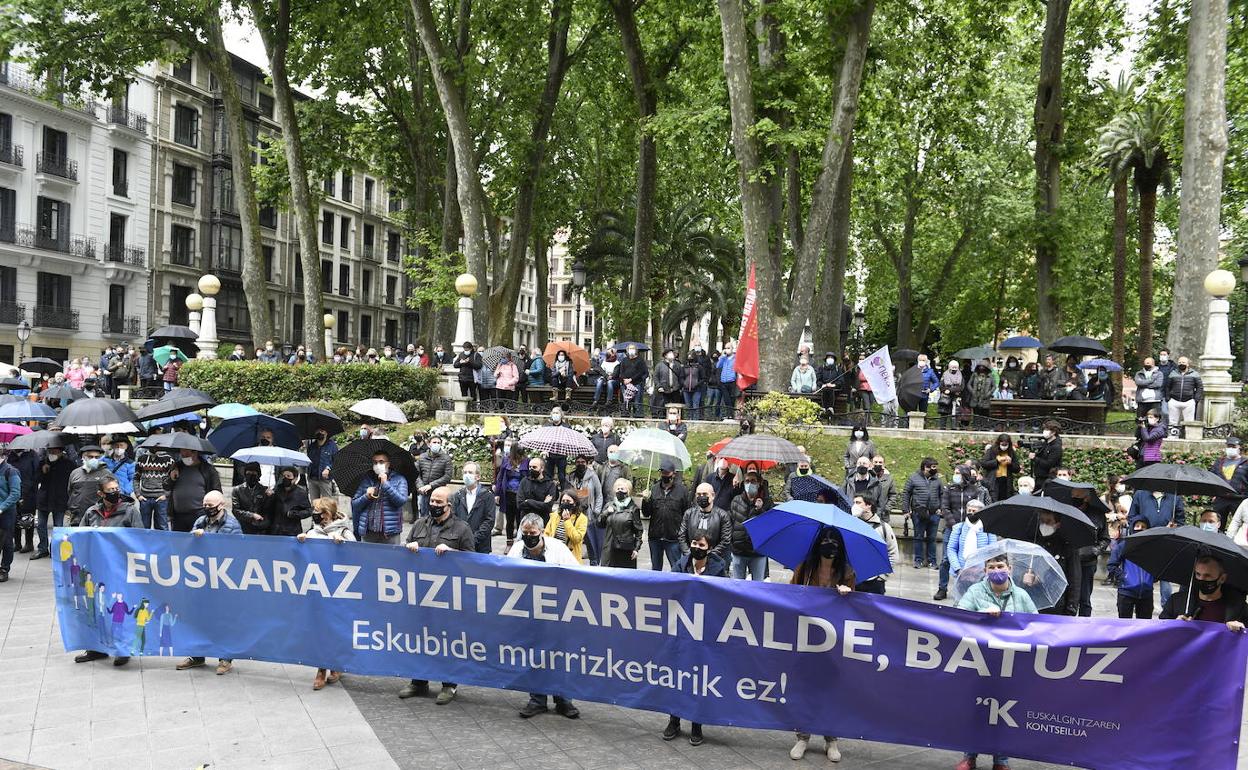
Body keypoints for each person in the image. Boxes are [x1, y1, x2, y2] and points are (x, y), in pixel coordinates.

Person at [954, 552, 1036, 770]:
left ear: (1009, 569)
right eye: (991, 567)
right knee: (976, 708)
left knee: (1005, 712)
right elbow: (960, 615)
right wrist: (981, 614)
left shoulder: (1021, 596)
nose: (996, 571)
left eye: (1000, 566)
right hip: (980, 660)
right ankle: (969, 755)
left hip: (1010, 663)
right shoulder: (975, 591)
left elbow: (1036, 624)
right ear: (985, 571)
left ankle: (1001, 759)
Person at [400, 486, 476, 705]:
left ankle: (448, 684)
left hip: (448, 596)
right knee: (419, 638)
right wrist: (409, 547)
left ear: (449, 505)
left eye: (438, 502)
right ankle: (418, 680)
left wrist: (453, 554)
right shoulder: (419, 524)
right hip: (420, 593)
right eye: (431, 501)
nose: (433, 505)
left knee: (446, 639)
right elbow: (403, 554)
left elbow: (473, 562)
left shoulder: (462, 529)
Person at [506, 512, 581, 718]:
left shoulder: (558, 548)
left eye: (533, 533)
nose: (529, 536)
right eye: (525, 533)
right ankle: (537, 700)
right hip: (528, 611)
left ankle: (563, 700)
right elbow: (507, 576)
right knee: (534, 655)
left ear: (541, 532)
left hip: (556, 612)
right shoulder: (517, 549)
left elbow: (576, 575)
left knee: (559, 656)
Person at [788, 528, 854, 763]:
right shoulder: (804, 568)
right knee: (805, 689)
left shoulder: (846, 572)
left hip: (833, 642)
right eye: (825, 540)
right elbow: (787, 596)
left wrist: (848, 593)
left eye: (834, 541)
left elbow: (854, 608)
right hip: (806, 638)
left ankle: (831, 740)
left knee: (831, 691)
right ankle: (802, 737)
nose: (830, 545)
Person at [72, 478, 145, 667]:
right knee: (97, 608)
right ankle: (96, 648)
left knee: (119, 609)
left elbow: (140, 538)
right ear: (101, 494)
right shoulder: (91, 512)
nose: (115, 492)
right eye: (110, 490)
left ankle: (122, 649)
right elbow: (80, 536)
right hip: (96, 568)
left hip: (120, 567)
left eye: (117, 488)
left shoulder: (130, 511)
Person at [662, 534, 724, 747]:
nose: (697, 547)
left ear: (710, 548)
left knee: (699, 678)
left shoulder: (719, 569)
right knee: (677, 675)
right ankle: (674, 720)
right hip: (681, 630)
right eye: (694, 544)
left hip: (704, 633)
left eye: (702, 545)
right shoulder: (680, 566)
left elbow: (723, 599)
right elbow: (670, 589)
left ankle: (696, 724)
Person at [296, 497, 355, 690]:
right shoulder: (312, 531)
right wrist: (301, 543)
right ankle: (321, 669)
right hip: (317, 588)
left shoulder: (344, 532)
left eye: (317, 511)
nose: (314, 514)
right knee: (319, 629)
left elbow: (357, 558)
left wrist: (343, 547)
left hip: (338, 590)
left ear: (327, 513)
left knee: (335, 628)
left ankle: (336, 665)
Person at [935, 467, 990, 600]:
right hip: (952, 527)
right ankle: (942, 588)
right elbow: (945, 507)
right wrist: (954, 525)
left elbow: (978, 507)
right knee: (946, 559)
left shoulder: (975, 490)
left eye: (958, 473)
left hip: (971, 528)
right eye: (955, 473)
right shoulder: (949, 489)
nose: (955, 475)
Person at [1158, 554, 1248, 631]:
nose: (1201, 579)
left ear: (1222, 579)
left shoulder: (1238, 607)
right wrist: (1173, 624)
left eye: (1207, 576)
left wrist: (1241, 629)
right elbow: (1159, 629)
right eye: (1198, 574)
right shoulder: (1176, 601)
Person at [351, 450, 410, 545]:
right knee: (367, 559)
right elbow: (355, 504)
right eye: (375, 462)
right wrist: (366, 496)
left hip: (389, 533)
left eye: (381, 462)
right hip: (368, 532)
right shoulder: (366, 479)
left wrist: (386, 484)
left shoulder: (399, 479)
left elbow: (401, 501)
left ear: (388, 464)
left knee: (391, 559)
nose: (378, 464)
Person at [940, 499, 994, 599]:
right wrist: (958, 569)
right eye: (969, 511)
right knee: (960, 600)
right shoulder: (959, 528)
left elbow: (993, 551)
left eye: (974, 511)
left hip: (981, 573)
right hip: (961, 572)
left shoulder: (988, 530)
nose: (971, 513)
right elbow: (951, 549)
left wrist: (986, 570)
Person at [643, 461, 692, 570]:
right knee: (655, 568)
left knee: (676, 567)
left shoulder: (682, 491)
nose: (665, 475)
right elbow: (646, 513)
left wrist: (684, 535)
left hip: (673, 538)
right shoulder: (654, 489)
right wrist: (645, 501)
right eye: (663, 472)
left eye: (667, 473)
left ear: (673, 474)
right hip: (655, 537)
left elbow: (687, 513)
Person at [1033, 510, 1081, 616]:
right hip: (1034, 604)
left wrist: (1071, 609)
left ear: (1057, 524)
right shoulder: (1034, 542)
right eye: (1042, 521)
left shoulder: (1068, 546)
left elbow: (1074, 579)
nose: (1044, 524)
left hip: (1058, 605)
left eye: (1048, 521)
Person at [903, 458, 944, 569]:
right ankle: (918, 560)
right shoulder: (913, 478)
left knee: (932, 538)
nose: (934, 469)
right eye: (932, 467)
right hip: (918, 513)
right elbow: (906, 493)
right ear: (925, 467)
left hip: (934, 513)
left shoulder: (938, 480)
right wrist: (906, 510)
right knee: (918, 537)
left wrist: (941, 508)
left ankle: (932, 561)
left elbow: (942, 495)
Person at [592, 447, 630, 565]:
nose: (613, 454)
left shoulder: (624, 469)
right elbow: (596, 485)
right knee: (604, 534)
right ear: (607, 453)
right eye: (611, 452)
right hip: (605, 505)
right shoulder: (602, 468)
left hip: (620, 505)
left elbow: (629, 485)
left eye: (616, 452)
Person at [852, 495, 897, 594]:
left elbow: (892, 553)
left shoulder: (883, 528)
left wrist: (882, 576)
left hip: (875, 582)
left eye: (858, 502)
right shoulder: (852, 525)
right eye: (854, 502)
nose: (854, 506)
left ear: (868, 505)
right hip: (854, 579)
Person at [1112, 519, 1156, 618]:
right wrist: (1123, 577)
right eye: (1137, 526)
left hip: (1146, 593)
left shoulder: (1152, 548)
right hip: (1126, 592)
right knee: (1124, 625)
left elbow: (1158, 563)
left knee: (1144, 627)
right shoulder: (1124, 545)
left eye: (1143, 526)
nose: (1140, 529)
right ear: (1132, 527)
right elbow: (1112, 564)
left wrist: (1152, 577)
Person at [450, 462, 495, 554]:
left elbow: (489, 521)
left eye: (470, 472)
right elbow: (453, 517)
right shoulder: (458, 495)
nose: (467, 475)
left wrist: (473, 539)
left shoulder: (487, 496)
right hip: (460, 544)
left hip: (481, 546)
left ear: (478, 477)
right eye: (465, 472)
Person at [598, 478, 643, 568]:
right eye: (618, 488)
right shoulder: (609, 505)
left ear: (628, 491)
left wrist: (636, 549)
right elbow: (599, 523)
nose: (619, 491)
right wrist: (606, 513)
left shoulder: (633, 509)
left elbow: (639, 531)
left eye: (622, 489)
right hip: (609, 548)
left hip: (625, 549)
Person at [494, 439, 529, 550]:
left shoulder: (527, 461)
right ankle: (509, 544)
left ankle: (520, 544)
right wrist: (497, 493)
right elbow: (500, 478)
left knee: (520, 519)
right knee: (509, 520)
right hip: (508, 494)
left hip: (521, 495)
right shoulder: (506, 460)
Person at [1211, 438, 1248, 530]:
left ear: (1239, 448)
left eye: (1233, 446)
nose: (1231, 448)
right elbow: (1212, 477)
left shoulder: (1246, 463)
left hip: (1239, 499)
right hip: (1221, 498)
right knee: (1217, 525)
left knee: (1240, 526)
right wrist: (1213, 494)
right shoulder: (1219, 462)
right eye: (1229, 446)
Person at [546, 492, 589, 563]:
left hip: (570, 557)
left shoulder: (582, 519)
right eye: (563, 501)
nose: (565, 503)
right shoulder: (555, 515)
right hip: (554, 555)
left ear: (574, 503)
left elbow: (577, 539)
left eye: (568, 501)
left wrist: (567, 521)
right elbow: (547, 533)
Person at [269, 466, 312, 537]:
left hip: (292, 530)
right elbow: (270, 508)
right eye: (283, 476)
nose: (285, 478)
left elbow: (308, 511)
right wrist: (269, 497)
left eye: (288, 476)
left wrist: (294, 514)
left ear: (294, 479)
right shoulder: (277, 490)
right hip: (276, 530)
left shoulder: (301, 493)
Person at [231, 462, 273, 535]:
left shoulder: (264, 490)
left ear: (258, 475)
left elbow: (268, 511)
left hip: (260, 529)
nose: (251, 476)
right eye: (248, 473)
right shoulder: (237, 490)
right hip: (242, 528)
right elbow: (235, 510)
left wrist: (271, 497)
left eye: (254, 474)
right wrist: (252, 515)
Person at [414, 436, 451, 518]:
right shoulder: (422, 457)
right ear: (429, 444)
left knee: (437, 516)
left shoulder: (446, 459)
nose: (436, 444)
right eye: (434, 442)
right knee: (423, 517)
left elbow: (447, 476)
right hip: (424, 493)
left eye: (438, 443)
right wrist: (421, 486)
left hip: (438, 493)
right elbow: (416, 473)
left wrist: (431, 485)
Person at [517, 457, 558, 529]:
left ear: (542, 468)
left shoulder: (550, 484)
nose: (531, 469)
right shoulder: (524, 481)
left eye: (534, 467)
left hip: (543, 524)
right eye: (530, 467)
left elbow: (548, 507)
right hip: (525, 523)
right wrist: (541, 504)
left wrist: (528, 501)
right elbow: (520, 504)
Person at [1164, 355, 1203, 426]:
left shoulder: (1195, 374)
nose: (1181, 364)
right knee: (1172, 422)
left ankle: (1188, 436)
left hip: (1189, 401)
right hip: (1174, 401)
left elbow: (1199, 387)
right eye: (1179, 362)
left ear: (1188, 364)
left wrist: (1196, 399)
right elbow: (1167, 386)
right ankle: (1173, 436)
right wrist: (1168, 398)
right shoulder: (1173, 373)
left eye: (1183, 362)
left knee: (1189, 423)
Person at [980, 434, 1019, 502]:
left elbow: (1017, 469)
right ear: (999, 443)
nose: (1004, 446)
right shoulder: (992, 450)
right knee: (993, 500)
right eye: (1002, 444)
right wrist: (997, 461)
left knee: (1005, 501)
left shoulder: (1011, 452)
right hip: (994, 481)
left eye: (1006, 444)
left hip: (1006, 482)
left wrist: (1010, 463)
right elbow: (984, 464)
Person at [567, 456, 602, 528]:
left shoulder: (593, 476)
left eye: (583, 462)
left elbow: (599, 494)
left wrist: (597, 511)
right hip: (574, 510)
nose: (580, 464)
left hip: (588, 511)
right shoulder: (571, 476)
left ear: (587, 463)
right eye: (578, 462)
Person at [306, 428, 339, 501]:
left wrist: (328, 468)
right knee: (314, 504)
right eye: (317, 431)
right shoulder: (311, 446)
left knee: (327, 504)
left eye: (322, 431)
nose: (319, 432)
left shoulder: (332, 445)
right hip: (312, 478)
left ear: (326, 433)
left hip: (325, 479)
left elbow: (337, 460)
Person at [617, 344, 649, 417]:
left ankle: (637, 415)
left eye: (632, 348)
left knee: (637, 402)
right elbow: (621, 371)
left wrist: (631, 379)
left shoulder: (640, 360)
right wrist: (624, 379)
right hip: (625, 384)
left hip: (636, 383)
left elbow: (641, 372)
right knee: (626, 401)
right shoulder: (624, 360)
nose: (631, 350)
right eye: (629, 348)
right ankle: (625, 414)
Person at [1028, 420, 1063, 484]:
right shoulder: (1046, 442)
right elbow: (1042, 455)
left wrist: (1035, 458)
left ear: (1053, 432)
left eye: (1047, 430)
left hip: (1048, 479)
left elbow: (1049, 464)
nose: (1044, 431)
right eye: (1045, 429)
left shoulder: (1056, 447)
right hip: (1040, 477)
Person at [683, 345, 710, 419]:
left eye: (691, 357)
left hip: (697, 389)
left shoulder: (699, 367)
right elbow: (681, 377)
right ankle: (689, 419)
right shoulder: (685, 367)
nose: (690, 358)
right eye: (688, 357)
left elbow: (703, 378)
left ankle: (695, 420)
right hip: (686, 389)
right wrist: (684, 383)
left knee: (695, 405)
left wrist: (697, 384)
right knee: (688, 406)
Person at [937, 361, 963, 428]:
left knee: (955, 413)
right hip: (946, 397)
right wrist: (946, 390)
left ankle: (954, 428)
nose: (954, 371)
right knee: (944, 413)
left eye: (955, 369)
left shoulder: (960, 375)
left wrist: (950, 390)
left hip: (956, 397)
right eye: (952, 369)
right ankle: (942, 427)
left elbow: (961, 387)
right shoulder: (945, 374)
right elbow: (941, 386)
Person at [871, 455, 899, 520]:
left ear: (883, 464)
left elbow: (893, 494)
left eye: (880, 462)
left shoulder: (889, 478)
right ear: (872, 463)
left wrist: (887, 508)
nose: (878, 464)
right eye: (875, 462)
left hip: (883, 514)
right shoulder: (867, 476)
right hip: (868, 512)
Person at [715, 344, 738, 419]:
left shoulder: (735, 358)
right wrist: (722, 356)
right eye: (726, 348)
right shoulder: (724, 358)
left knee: (731, 399)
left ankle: (731, 414)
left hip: (731, 381)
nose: (727, 349)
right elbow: (718, 366)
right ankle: (729, 414)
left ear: (732, 349)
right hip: (723, 381)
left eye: (729, 348)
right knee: (726, 399)